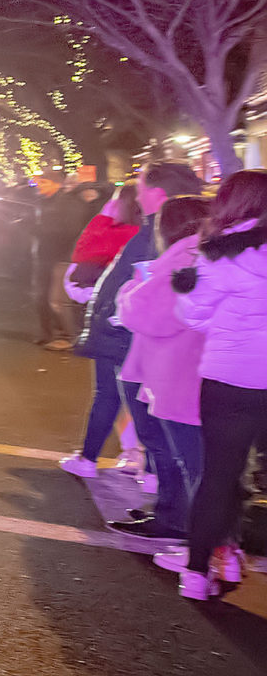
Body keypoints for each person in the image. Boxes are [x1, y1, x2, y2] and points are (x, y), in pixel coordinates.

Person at [60, 163, 205, 483]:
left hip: (135, 336)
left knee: (152, 421)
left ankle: (165, 492)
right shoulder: (161, 228)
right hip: (132, 334)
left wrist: (120, 308)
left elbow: (151, 293)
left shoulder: (168, 233)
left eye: (140, 186)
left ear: (157, 192)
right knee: (144, 415)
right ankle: (159, 484)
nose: (135, 194)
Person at [165, 167, 267, 601]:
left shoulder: (219, 255)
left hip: (229, 377)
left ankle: (195, 572)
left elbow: (192, 315)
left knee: (219, 475)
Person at [112, 195, 210, 552]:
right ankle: (172, 517)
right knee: (171, 452)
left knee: (179, 456)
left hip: (177, 374)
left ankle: (181, 526)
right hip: (172, 370)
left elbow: (145, 312)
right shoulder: (193, 255)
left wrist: (128, 291)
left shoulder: (185, 258)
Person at [32, 172, 96, 348]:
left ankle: (69, 336)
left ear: (56, 184)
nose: (39, 186)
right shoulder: (42, 202)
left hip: (61, 256)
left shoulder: (69, 203)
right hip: (45, 255)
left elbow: (69, 231)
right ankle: (48, 333)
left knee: (58, 299)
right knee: (42, 296)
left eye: (43, 182)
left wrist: (38, 229)